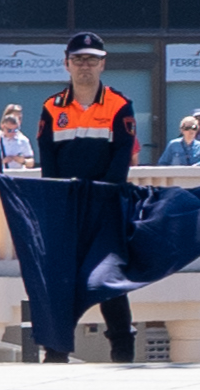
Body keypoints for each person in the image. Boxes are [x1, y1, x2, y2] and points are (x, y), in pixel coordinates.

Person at [36, 37, 143, 365]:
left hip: (106, 208)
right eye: (78, 59)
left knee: (110, 282)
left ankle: (123, 355)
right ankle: (56, 355)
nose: (85, 65)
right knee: (62, 282)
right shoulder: (52, 107)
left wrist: (102, 196)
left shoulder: (118, 105)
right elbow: (49, 162)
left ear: (102, 64)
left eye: (91, 60)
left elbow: (122, 157)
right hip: (68, 211)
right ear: (67, 64)